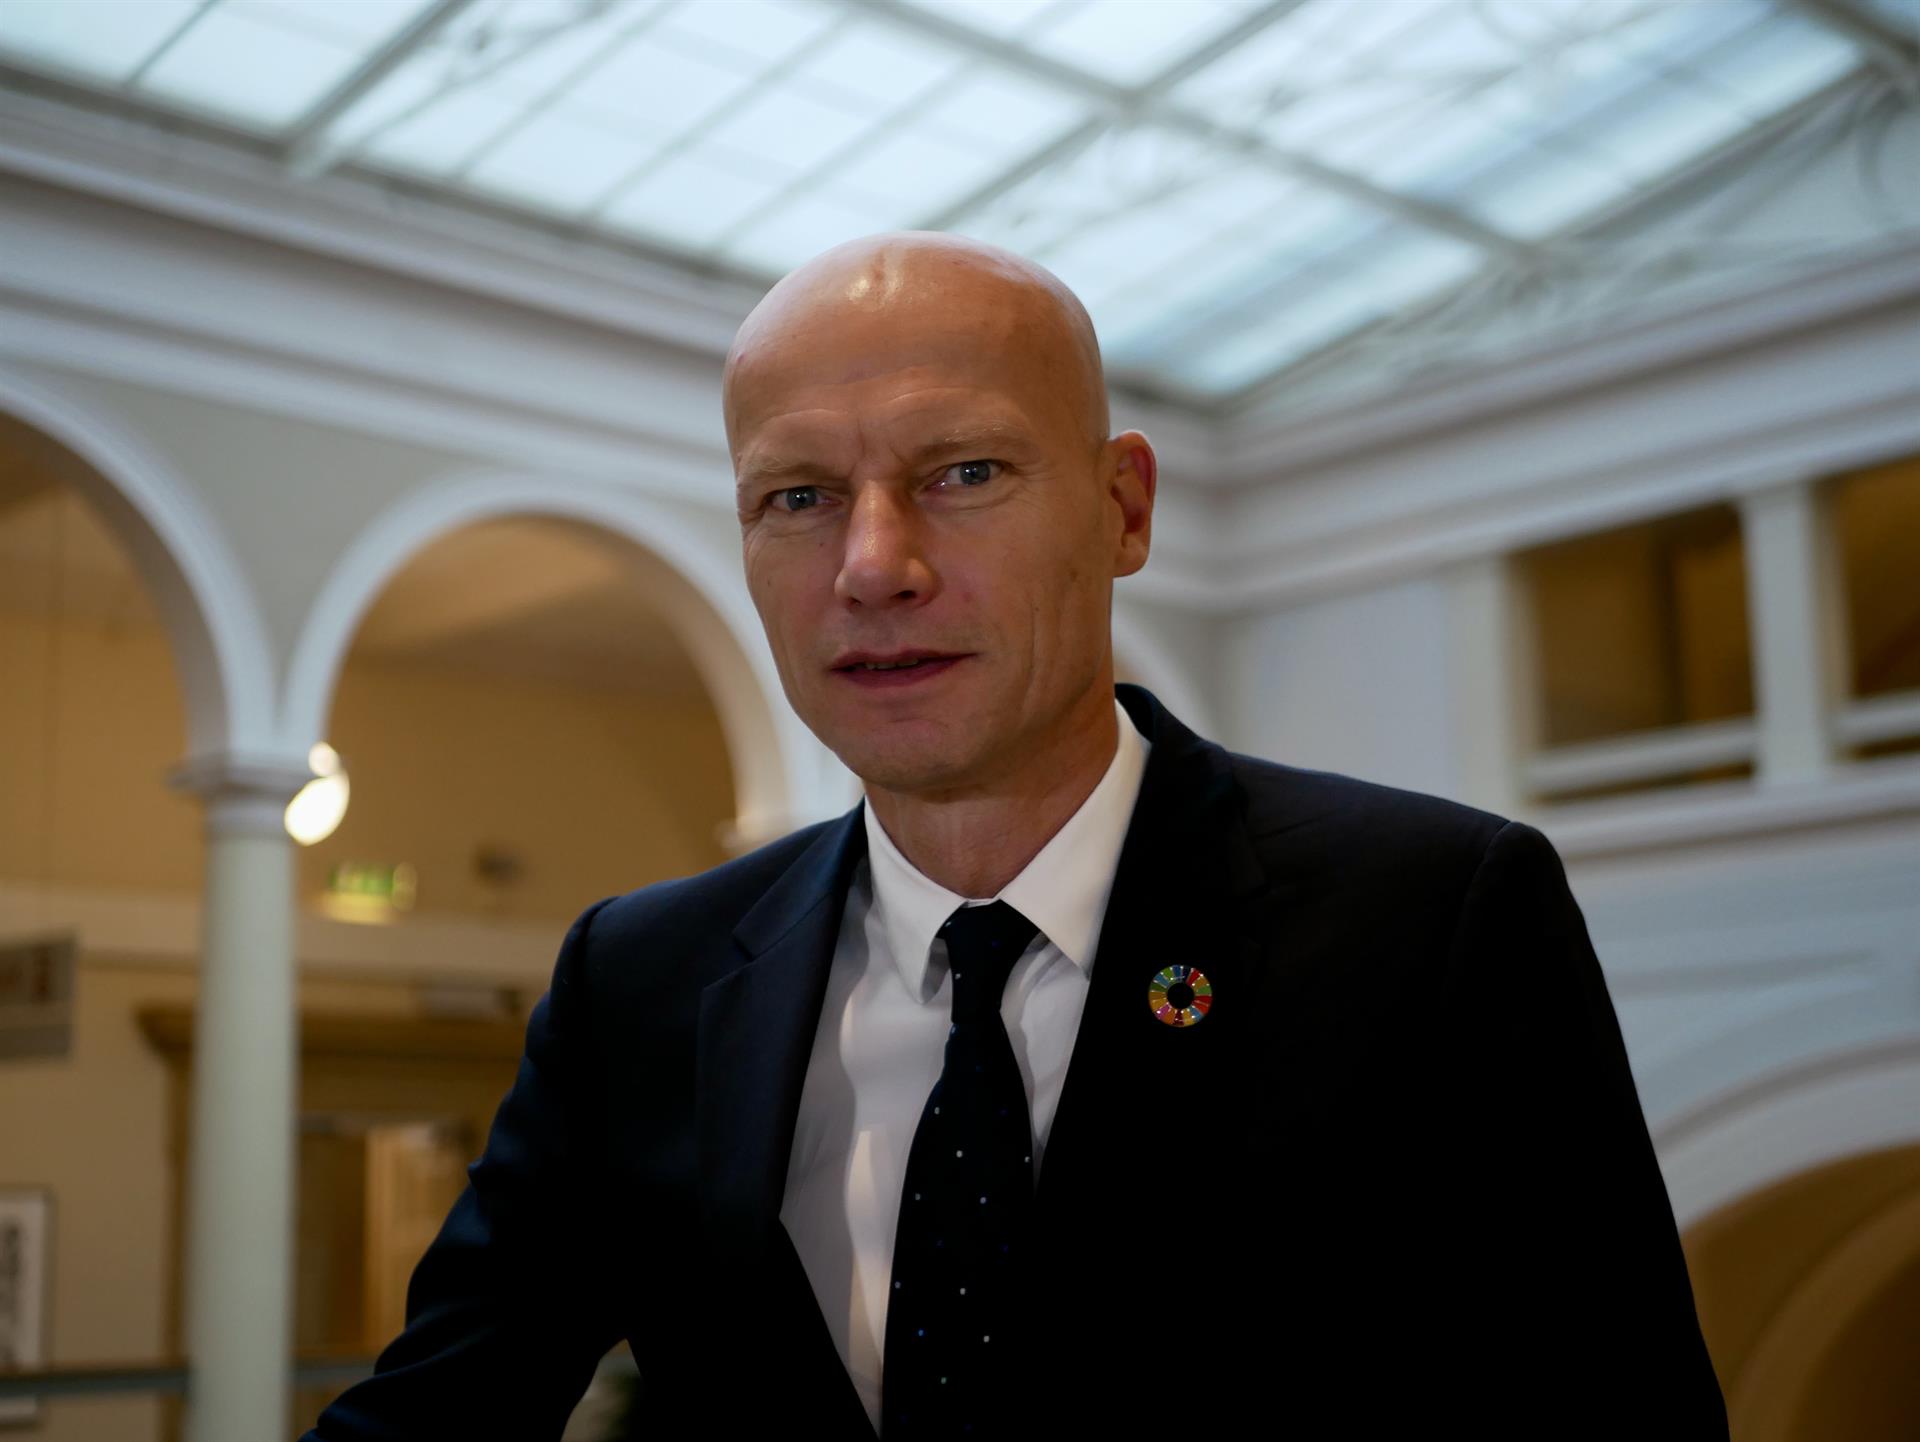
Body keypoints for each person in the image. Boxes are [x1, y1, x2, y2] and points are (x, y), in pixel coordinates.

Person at [302, 232, 1728, 1440]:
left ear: (1123, 509)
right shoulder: (642, 980)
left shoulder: (1433, 919)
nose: (873, 566)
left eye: (963, 473)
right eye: (798, 497)